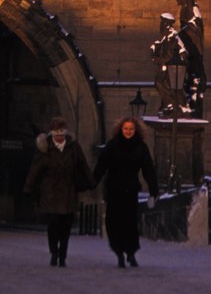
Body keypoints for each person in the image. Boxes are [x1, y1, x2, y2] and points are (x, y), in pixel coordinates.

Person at [24, 115, 92, 267]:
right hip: (50, 192)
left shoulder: (73, 147)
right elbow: (34, 170)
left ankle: (63, 254)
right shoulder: (44, 148)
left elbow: (83, 165)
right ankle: (54, 252)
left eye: (62, 133)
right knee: (54, 223)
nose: (60, 137)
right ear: (52, 133)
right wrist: (28, 187)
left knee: (66, 225)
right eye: (57, 134)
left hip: (68, 190)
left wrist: (91, 181)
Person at [93, 117, 159, 269]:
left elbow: (148, 169)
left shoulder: (141, 147)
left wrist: (153, 190)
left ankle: (130, 252)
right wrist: (92, 182)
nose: (128, 131)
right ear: (120, 130)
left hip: (130, 190)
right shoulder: (112, 145)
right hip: (114, 190)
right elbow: (101, 166)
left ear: (136, 130)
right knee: (114, 223)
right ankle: (119, 253)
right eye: (126, 129)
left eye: (131, 129)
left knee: (130, 223)